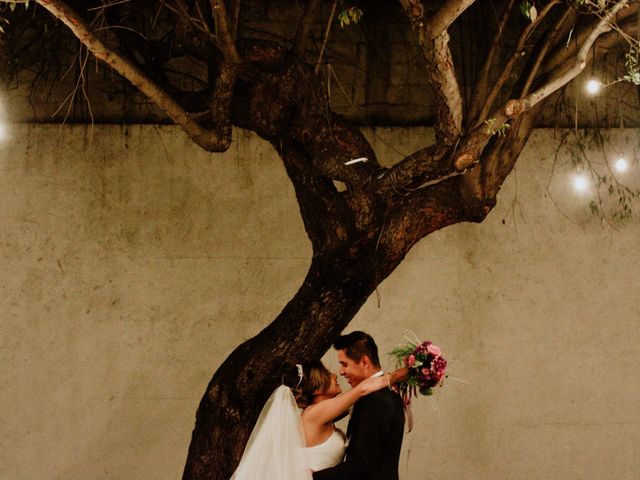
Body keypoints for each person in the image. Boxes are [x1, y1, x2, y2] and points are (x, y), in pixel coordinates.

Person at [230, 359, 403, 479]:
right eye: (328, 374)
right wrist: (404, 372)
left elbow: (362, 401)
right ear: (317, 388)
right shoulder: (315, 413)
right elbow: (362, 390)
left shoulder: (324, 414)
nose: (335, 376)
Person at [313, 331, 405, 480]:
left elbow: (361, 464)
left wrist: (313, 477)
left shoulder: (377, 401)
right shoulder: (378, 394)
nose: (341, 372)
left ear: (364, 362)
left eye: (344, 364)